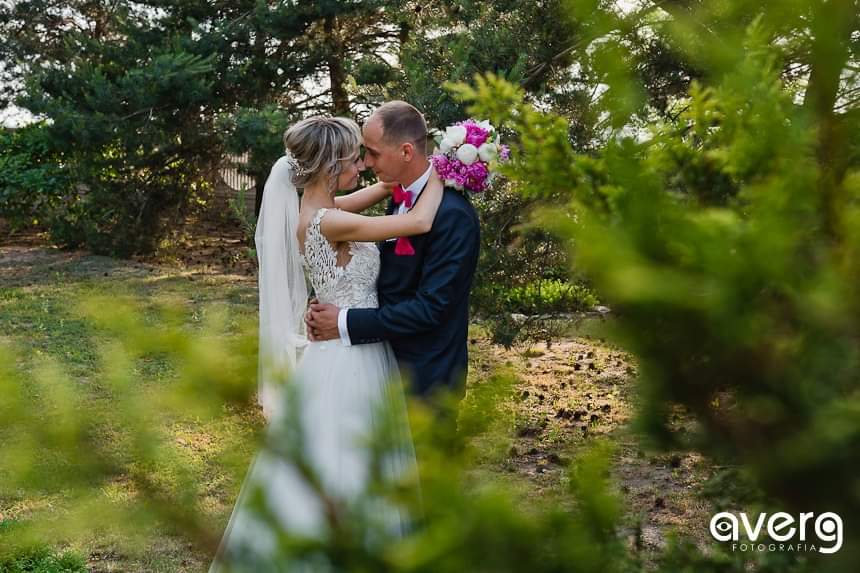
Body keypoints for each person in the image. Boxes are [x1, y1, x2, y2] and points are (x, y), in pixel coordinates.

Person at [210, 115, 443, 571]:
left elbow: (383, 189)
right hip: (351, 356)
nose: (362, 166)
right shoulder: (330, 221)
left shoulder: (321, 209)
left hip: (341, 346)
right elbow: (417, 221)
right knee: (349, 460)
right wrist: (445, 170)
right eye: (354, 159)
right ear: (330, 167)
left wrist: (413, 166)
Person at [306, 101, 481, 403]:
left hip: (425, 379)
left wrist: (344, 321)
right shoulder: (399, 194)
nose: (366, 162)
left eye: (373, 152)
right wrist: (329, 293)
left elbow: (431, 308)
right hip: (378, 367)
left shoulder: (452, 215)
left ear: (406, 152)